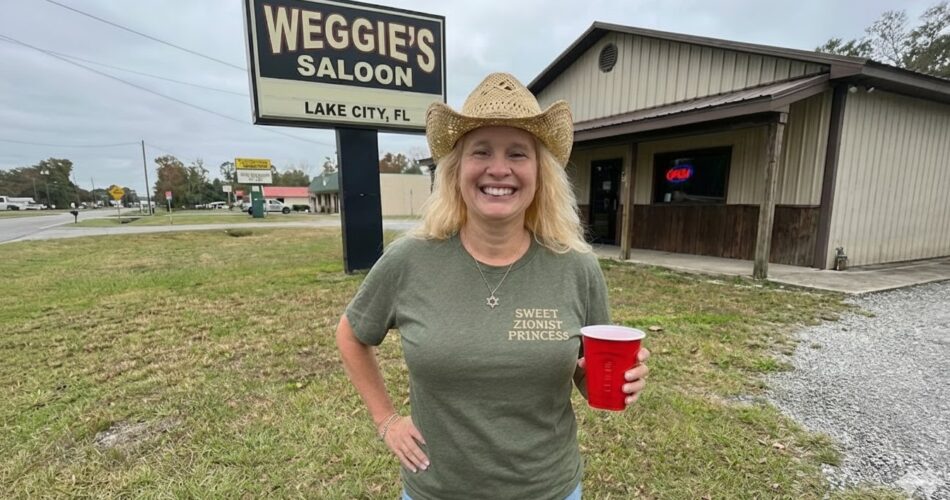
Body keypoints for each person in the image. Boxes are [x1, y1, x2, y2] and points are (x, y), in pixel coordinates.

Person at [336, 72, 650, 500]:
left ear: (540, 173)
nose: (498, 169)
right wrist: (387, 420)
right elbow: (352, 335)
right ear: (456, 170)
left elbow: (589, 379)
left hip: (547, 490)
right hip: (437, 490)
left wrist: (621, 379)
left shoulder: (576, 267)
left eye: (517, 154)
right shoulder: (410, 259)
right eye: (480, 151)